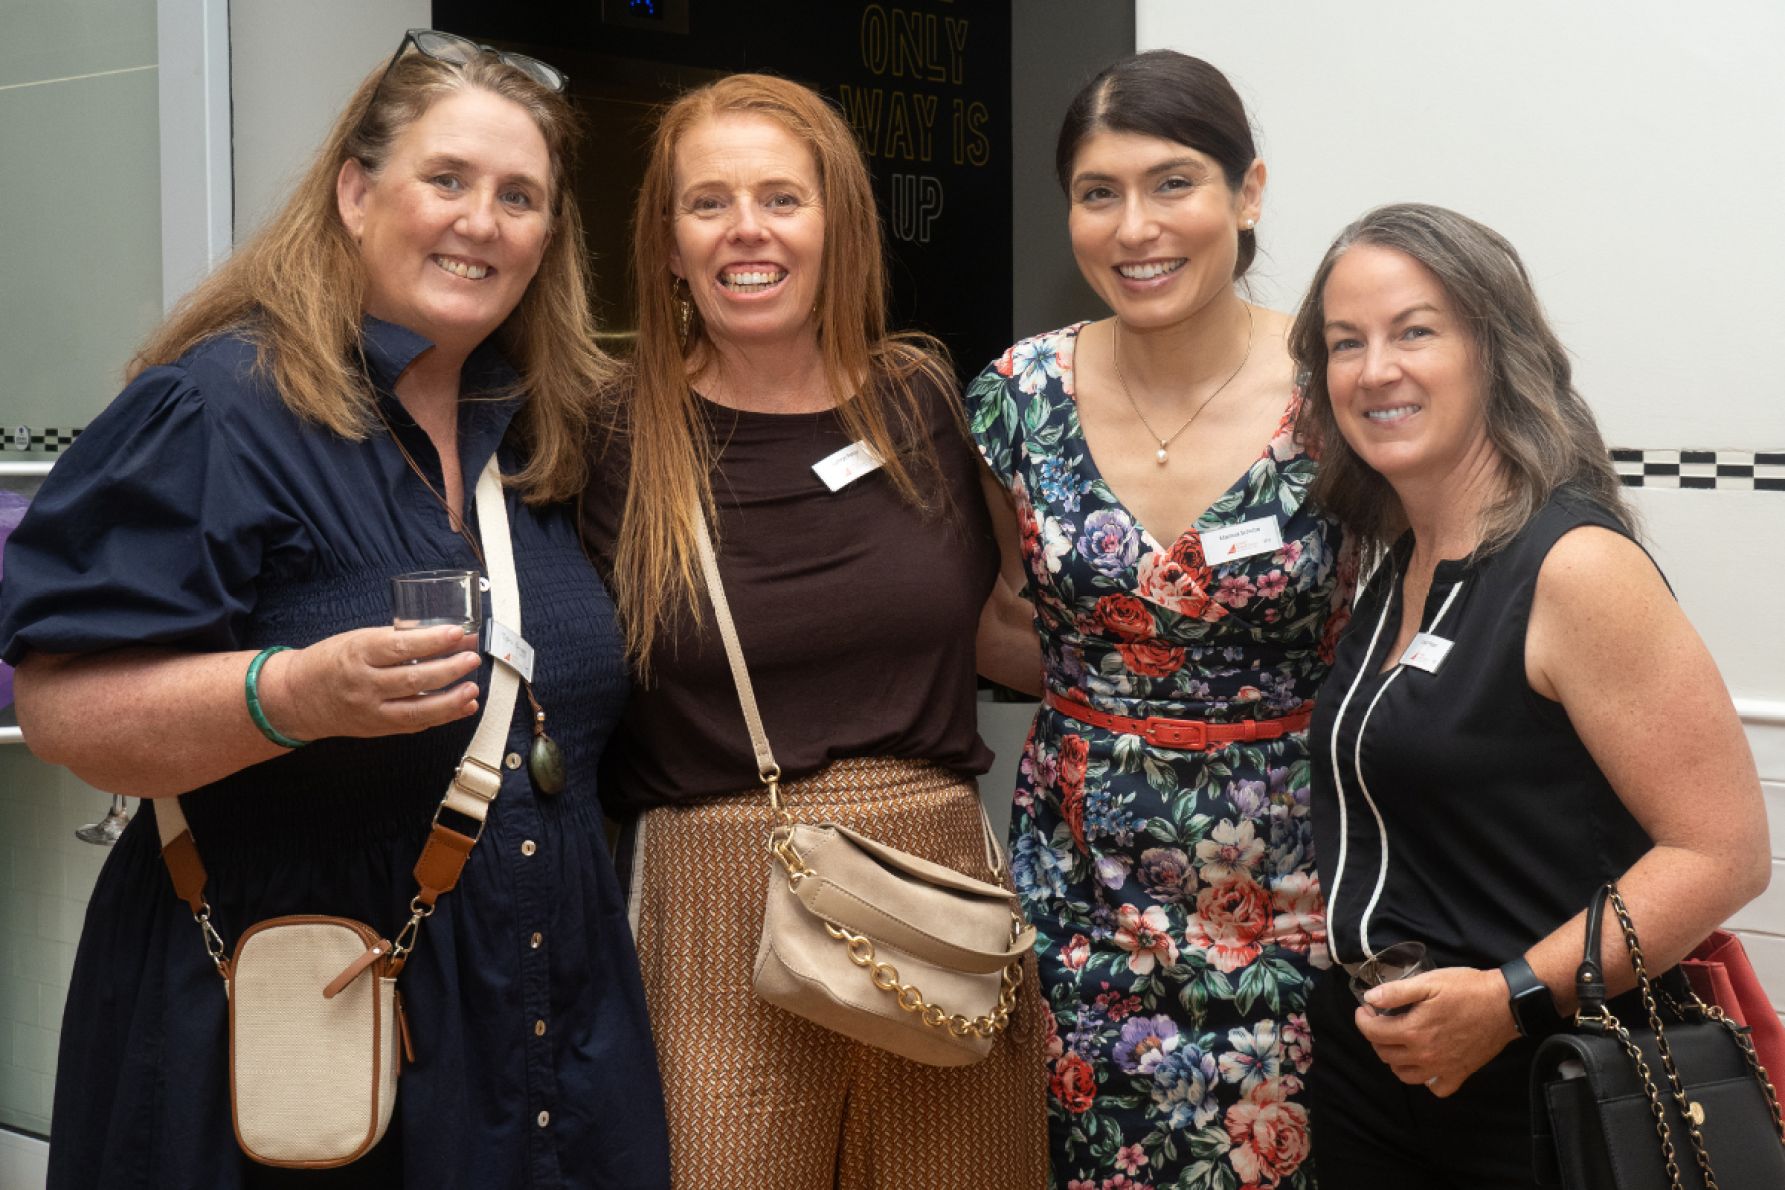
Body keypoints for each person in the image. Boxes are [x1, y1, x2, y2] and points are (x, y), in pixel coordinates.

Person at [0, 30, 669, 1188]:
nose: (482, 220)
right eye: (446, 179)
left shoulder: (548, 433)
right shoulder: (219, 408)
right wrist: (290, 693)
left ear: (551, 236)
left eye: (520, 196)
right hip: (284, 1036)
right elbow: (63, 709)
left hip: (533, 1029)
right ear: (357, 193)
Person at [578, 73, 1048, 1188]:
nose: (748, 228)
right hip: (714, 903)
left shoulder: (926, 400)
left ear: (837, 220)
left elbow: (1016, 624)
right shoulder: (605, 428)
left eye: (782, 197)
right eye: (710, 202)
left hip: (937, 896)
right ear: (667, 236)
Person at [1290, 202, 1770, 1187]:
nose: (1375, 368)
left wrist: (1507, 996)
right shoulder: (1399, 564)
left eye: (1414, 330)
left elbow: (1723, 851)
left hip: (1545, 1081)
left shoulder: (1575, 565)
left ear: (1493, 350)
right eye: (1347, 342)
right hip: (1374, 1072)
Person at [966, 51, 1351, 1189]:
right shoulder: (1019, 394)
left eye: (1174, 182)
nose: (1136, 226)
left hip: (1294, 882)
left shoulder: (1335, 385)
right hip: (1080, 887)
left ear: (1249, 192)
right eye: (1099, 192)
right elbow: (1002, 621)